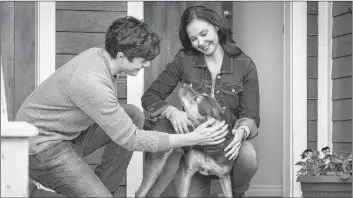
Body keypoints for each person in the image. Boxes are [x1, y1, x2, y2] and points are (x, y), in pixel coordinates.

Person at [15, 16, 229, 197]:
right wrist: (191, 138)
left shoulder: (99, 55)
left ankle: (102, 191)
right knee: (130, 128)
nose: (146, 65)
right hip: (41, 147)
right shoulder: (91, 82)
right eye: (143, 60)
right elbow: (131, 139)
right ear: (121, 56)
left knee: (133, 115)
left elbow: (122, 124)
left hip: (66, 134)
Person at [141, 5, 260, 198]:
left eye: (204, 33)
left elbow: (251, 116)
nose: (201, 42)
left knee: (248, 156)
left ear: (216, 26)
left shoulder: (244, 65)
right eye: (194, 39)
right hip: (193, 144)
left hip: (225, 141)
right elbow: (150, 96)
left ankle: (236, 193)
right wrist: (172, 112)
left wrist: (241, 131)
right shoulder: (184, 59)